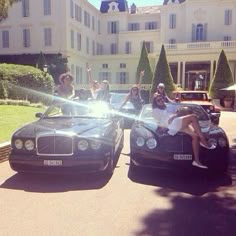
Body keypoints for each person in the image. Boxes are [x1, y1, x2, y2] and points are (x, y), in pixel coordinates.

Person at [152, 93, 215, 169]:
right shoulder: (155, 110)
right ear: (155, 102)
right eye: (158, 100)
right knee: (193, 117)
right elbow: (160, 122)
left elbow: (177, 108)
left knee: (195, 136)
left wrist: (175, 113)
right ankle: (204, 141)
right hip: (170, 126)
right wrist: (171, 118)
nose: (161, 101)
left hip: (175, 122)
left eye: (161, 98)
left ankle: (196, 161)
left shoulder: (167, 106)